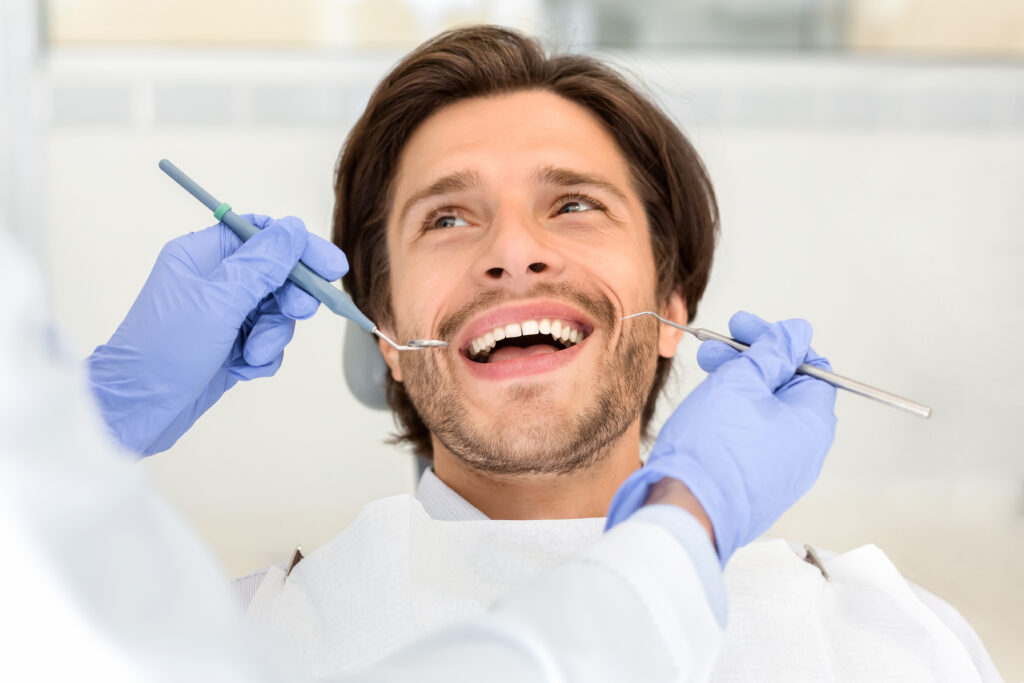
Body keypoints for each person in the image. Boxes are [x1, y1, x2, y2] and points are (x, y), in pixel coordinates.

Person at [86, 26, 1002, 682]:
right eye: (447, 217)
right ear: (385, 334)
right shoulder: (215, 645)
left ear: (674, 309)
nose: (512, 250)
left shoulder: (891, 640)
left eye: (573, 205)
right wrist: (91, 429)